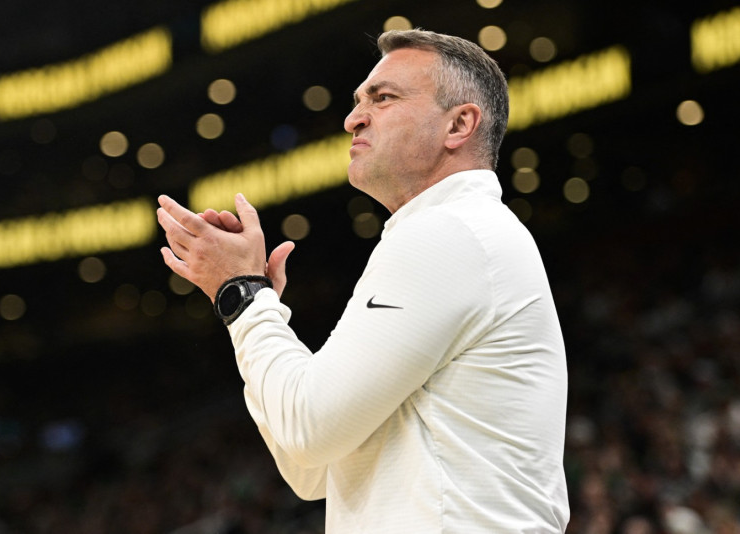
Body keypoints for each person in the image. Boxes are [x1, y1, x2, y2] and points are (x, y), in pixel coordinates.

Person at [157, 29, 569, 533]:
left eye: (383, 97)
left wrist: (242, 297)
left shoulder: (449, 231)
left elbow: (309, 430)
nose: (353, 118)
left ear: (459, 124)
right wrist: (256, 310)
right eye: (358, 102)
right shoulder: (455, 232)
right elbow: (312, 469)